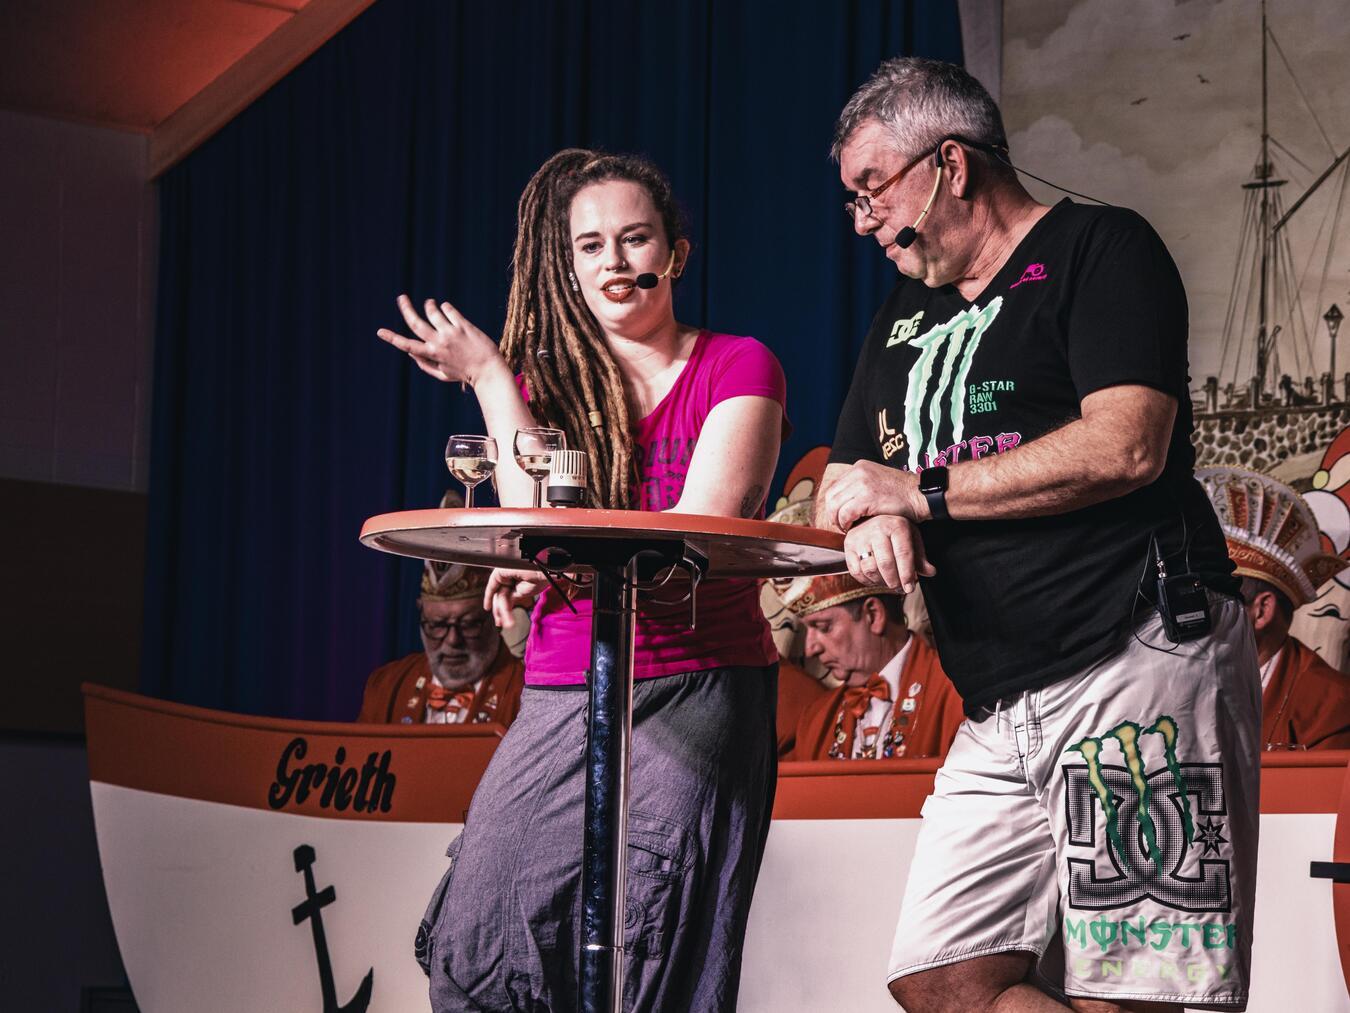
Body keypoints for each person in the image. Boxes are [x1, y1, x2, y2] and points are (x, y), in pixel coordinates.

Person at [818, 58, 1257, 1009]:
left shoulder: (1103, 248)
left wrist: (916, 491)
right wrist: (868, 511)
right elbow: (841, 479)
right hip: (1000, 698)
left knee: (1132, 992)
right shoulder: (901, 315)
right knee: (939, 977)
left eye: (870, 189)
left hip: (1132, 658)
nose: (860, 221)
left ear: (951, 165)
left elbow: (1128, 444)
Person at [378, 149, 787, 1011]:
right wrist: (492, 377)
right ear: (567, 266)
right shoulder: (542, 384)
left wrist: (563, 564)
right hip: (564, 682)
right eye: (591, 245)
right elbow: (534, 533)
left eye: (635, 239)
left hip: (695, 679)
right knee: (480, 939)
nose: (614, 262)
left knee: (652, 937)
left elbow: (698, 534)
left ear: (674, 252)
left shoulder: (739, 365)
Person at [1197, 466, 1350, 749]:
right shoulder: (1180, 676)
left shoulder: (1330, 707)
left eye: (1212, 598)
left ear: (1262, 611)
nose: (1195, 611)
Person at [356, 508, 525, 726]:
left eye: (468, 624)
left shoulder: (524, 693)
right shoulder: (386, 685)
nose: (452, 640)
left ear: (494, 616)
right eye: (437, 624)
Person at [780, 572, 961, 761]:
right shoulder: (815, 720)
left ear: (873, 615)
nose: (810, 649)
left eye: (824, 627)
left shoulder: (956, 693)